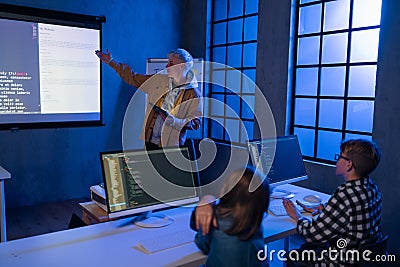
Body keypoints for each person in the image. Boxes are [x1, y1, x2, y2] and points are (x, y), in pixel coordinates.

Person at [282, 139, 382, 266]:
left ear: (349, 164)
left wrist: (296, 215)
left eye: (340, 156)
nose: (337, 160)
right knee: (307, 248)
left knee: (293, 255)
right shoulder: (372, 187)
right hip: (362, 259)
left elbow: (313, 234)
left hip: (340, 261)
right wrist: (324, 208)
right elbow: (354, 212)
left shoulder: (344, 194)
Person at [95, 48, 202, 150]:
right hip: (150, 140)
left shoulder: (193, 94)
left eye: (171, 63)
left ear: (181, 67)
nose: (167, 66)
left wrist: (174, 121)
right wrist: (111, 62)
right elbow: (133, 77)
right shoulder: (158, 80)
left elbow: (195, 122)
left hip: (171, 146)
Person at [190, 166, 270, 267]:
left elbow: (203, 246)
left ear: (227, 192)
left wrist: (206, 201)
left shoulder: (215, 219)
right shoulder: (255, 221)